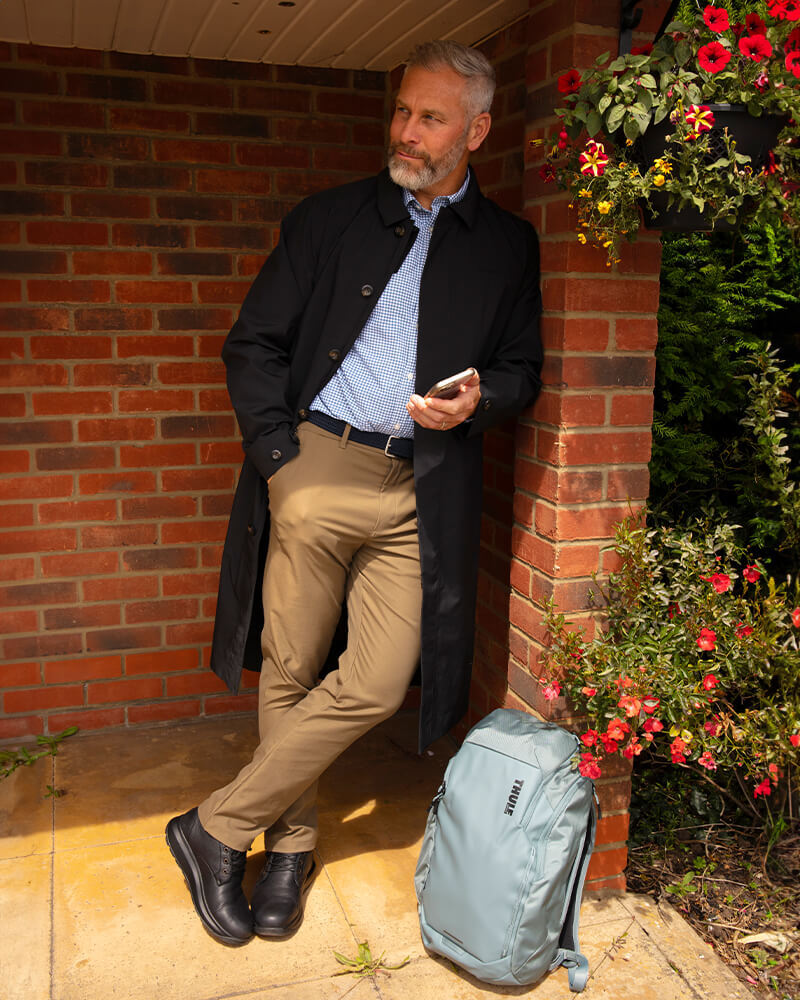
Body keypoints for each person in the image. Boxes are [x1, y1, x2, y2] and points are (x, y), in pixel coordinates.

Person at [166, 39, 543, 946]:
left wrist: (480, 399)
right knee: (292, 668)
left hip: (422, 485)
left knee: (375, 682)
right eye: (403, 111)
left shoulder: (506, 245)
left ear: (476, 131)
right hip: (318, 465)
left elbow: (522, 369)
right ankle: (289, 847)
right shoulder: (330, 219)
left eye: (431, 117)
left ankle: (212, 827)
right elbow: (251, 343)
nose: (408, 132)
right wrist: (279, 462)